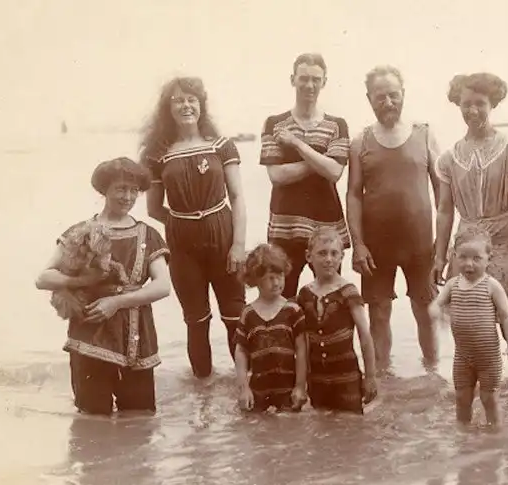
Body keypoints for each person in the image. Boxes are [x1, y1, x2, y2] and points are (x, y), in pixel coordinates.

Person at [35, 157, 171, 415]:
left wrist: (116, 302)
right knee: (92, 418)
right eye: (121, 189)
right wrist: (82, 282)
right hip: (90, 338)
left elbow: (163, 286)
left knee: (139, 419)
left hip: (137, 337)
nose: (128, 197)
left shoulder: (148, 234)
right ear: (104, 189)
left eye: (134, 190)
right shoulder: (81, 232)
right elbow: (43, 278)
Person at [142, 77, 247, 379]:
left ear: (202, 105)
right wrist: (184, 225)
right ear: (168, 108)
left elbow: (237, 197)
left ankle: (244, 387)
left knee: (235, 316)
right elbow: (153, 208)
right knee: (196, 321)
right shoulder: (157, 155)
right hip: (183, 247)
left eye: (191, 99)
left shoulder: (222, 146)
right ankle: (203, 395)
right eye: (178, 100)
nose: (185, 105)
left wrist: (238, 245)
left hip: (224, 239)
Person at [431, 72, 508, 380]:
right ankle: (475, 387)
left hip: (506, 239)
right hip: (467, 244)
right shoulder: (449, 158)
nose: (472, 110)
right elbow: (445, 210)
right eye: (466, 104)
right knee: (469, 317)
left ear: (493, 104)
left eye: (480, 103)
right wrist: (439, 256)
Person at [346, 65, 441, 369]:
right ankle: (382, 378)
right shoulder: (360, 141)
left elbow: (443, 191)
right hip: (376, 246)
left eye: (393, 95)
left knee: (426, 312)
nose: (388, 102)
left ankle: (432, 374)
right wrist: (358, 244)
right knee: (379, 313)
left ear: (403, 94)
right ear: (369, 99)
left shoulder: (424, 134)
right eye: (380, 97)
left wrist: (444, 242)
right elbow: (353, 194)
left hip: (420, 244)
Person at [259, 53, 351, 299]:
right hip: (284, 227)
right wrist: (321, 159)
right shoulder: (274, 124)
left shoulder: (337, 125)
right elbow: (277, 175)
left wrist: (296, 144)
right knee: (282, 298)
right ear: (293, 80)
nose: (310, 85)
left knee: (331, 297)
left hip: (326, 227)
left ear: (324, 82)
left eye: (316, 79)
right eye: (304, 78)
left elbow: (335, 173)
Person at [429, 226, 508, 425]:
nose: (469, 264)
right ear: (454, 256)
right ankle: (463, 436)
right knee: (461, 399)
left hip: (489, 359)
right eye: (463, 257)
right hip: (463, 358)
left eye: (477, 258)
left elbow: (507, 316)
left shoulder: (491, 286)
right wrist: (437, 312)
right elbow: (435, 304)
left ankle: (494, 434)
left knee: (489, 399)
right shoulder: (452, 285)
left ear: (489, 259)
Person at [296, 228, 378, 414]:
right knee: (320, 424)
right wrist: (300, 384)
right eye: (322, 253)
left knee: (350, 424)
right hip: (316, 379)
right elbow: (302, 342)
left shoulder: (348, 291)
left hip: (347, 378)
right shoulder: (305, 294)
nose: (328, 259)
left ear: (342, 257)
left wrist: (370, 377)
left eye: (334, 253)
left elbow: (365, 336)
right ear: (309, 256)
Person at [234, 244, 308, 413]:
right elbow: (241, 351)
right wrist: (244, 388)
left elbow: (302, 350)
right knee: (256, 426)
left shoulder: (293, 310)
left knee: (292, 425)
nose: (276, 283)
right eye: (270, 278)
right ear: (256, 279)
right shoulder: (248, 314)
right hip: (258, 391)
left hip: (288, 390)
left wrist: (300, 386)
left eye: (280, 276)